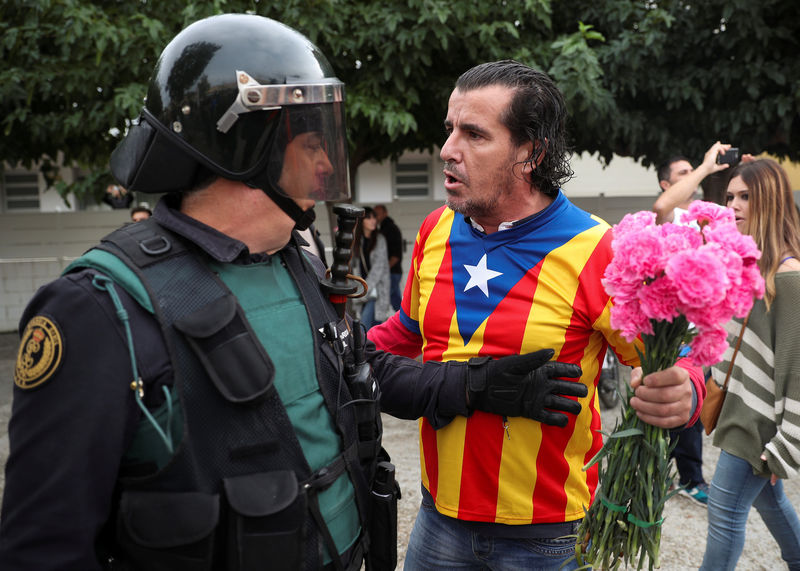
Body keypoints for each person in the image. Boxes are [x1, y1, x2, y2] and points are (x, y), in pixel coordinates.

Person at [0, 16, 588, 571]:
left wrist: (475, 385)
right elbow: (43, 545)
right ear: (245, 150)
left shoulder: (293, 263)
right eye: (311, 143)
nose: (329, 161)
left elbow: (361, 371)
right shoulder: (96, 309)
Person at [368, 59, 706, 570]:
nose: (447, 150)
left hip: (548, 541)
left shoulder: (598, 249)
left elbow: (675, 358)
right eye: (450, 129)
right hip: (437, 522)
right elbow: (407, 333)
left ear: (530, 152)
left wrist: (687, 389)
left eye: (474, 134)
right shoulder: (434, 230)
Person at [700, 157, 800, 571]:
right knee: (771, 506)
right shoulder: (751, 268)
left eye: (746, 196)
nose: (734, 205)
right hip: (739, 412)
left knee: (723, 515)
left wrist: (785, 447)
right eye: (730, 196)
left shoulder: (789, 277)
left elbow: (796, 371)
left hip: (759, 426)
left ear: (770, 200)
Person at [652, 141, 733, 505]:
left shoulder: (708, 214)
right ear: (666, 185)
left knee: (691, 405)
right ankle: (663, 476)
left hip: (697, 332)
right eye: (682, 175)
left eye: (692, 173)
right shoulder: (670, 216)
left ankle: (689, 477)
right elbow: (661, 206)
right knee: (665, 404)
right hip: (667, 333)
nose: (694, 179)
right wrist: (703, 166)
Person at [350, 206, 391, 329]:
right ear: (361, 221)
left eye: (374, 217)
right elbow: (353, 266)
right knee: (374, 328)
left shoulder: (380, 240)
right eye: (369, 218)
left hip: (375, 291)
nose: (373, 220)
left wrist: (365, 290)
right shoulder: (356, 241)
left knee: (364, 327)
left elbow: (378, 269)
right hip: (360, 291)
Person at [374, 204, 404, 310]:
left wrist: (384, 270)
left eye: (377, 214)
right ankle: (405, 322)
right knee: (395, 300)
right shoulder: (384, 229)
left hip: (391, 272)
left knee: (382, 299)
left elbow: (395, 255)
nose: (375, 217)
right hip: (393, 271)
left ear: (385, 213)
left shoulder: (390, 229)